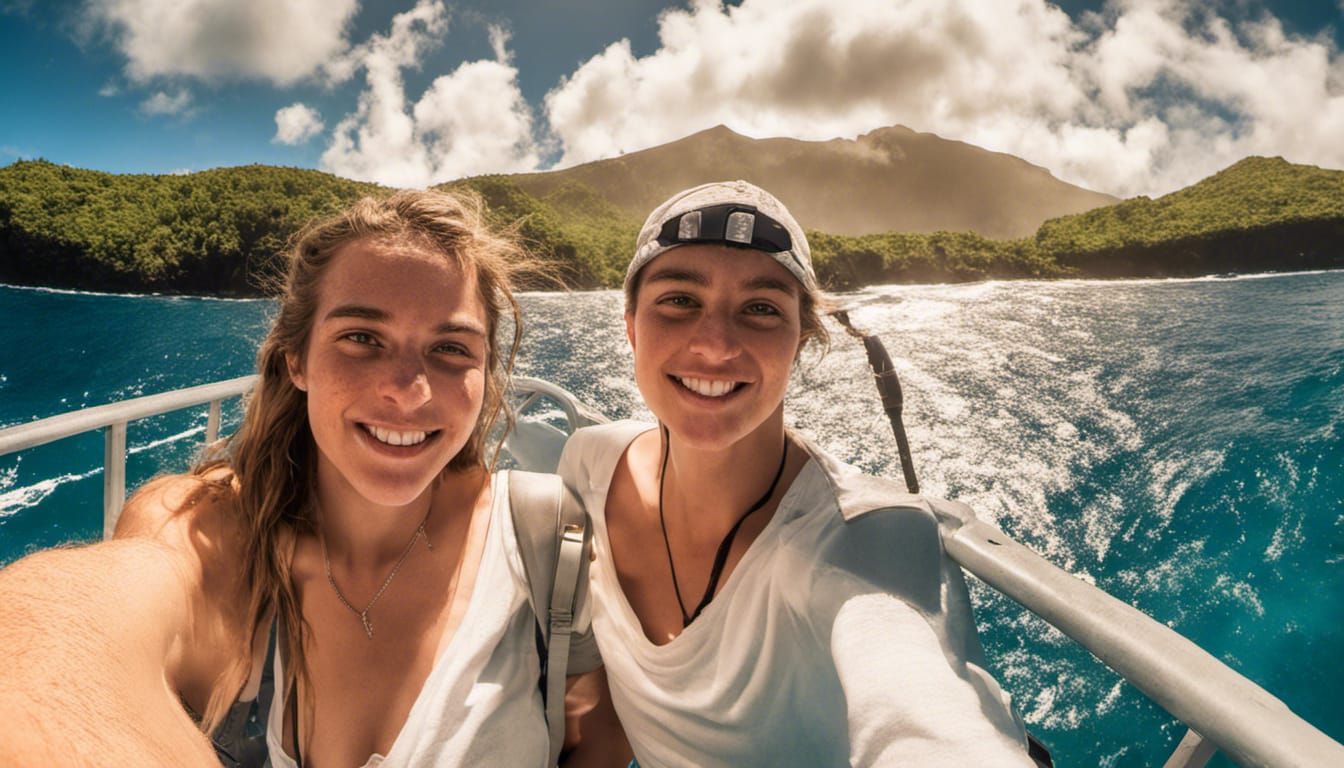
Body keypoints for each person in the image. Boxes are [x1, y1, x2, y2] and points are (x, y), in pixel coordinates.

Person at [0, 189, 627, 767]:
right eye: (362, 337)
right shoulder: (200, 532)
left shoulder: (552, 537)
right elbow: (46, 641)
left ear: (486, 373)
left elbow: (593, 739)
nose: (407, 391)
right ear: (296, 358)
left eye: (451, 349)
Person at [556, 180, 1038, 767]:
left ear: (801, 340)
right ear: (631, 324)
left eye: (761, 308)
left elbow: (924, 715)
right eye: (679, 300)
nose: (714, 345)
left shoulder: (868, 538)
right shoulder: (589, 465)